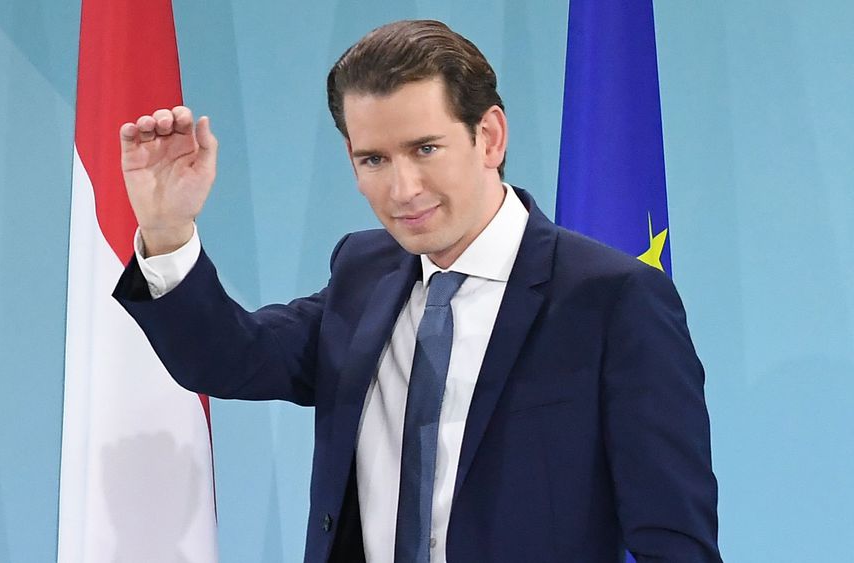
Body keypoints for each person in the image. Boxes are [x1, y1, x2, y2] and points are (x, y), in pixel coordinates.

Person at [112, 19, 721, 563]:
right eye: (374, 160)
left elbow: (675, 541)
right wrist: (167, 228)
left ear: (490, 136)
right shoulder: (362, 272)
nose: (403, 190)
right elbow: (231, 359)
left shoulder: (612, 300)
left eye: (425, 149)